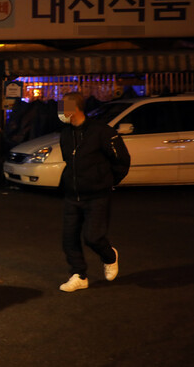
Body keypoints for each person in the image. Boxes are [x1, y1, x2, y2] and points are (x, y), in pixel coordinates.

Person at [57, 92, 130, 292]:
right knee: (69, 238)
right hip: (73, 195)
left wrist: (107, 182)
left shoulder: (101, 132)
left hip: (97, 195)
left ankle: (109, 256)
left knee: (93, 237)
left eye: (63, 108)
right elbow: (69, 161)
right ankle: (79, 275)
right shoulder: (65, 133)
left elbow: (122, 161)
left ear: (74, 110)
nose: (60, 113)